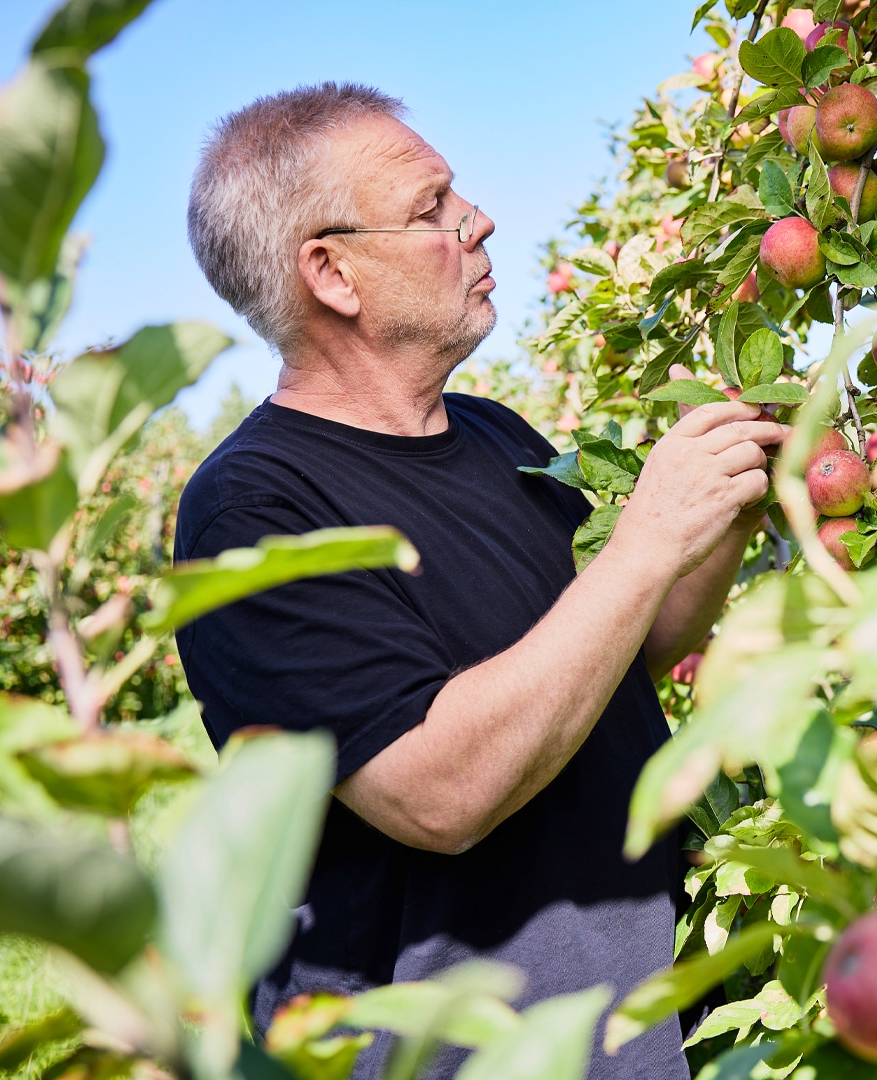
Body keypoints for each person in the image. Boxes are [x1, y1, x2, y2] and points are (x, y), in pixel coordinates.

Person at [176, 83, 783, 1078]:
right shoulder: (252, 510)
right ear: (331, 273)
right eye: (432, 208)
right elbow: (438, 791)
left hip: (642, 1015)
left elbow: (623, 651)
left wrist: (719, 516)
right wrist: (644, 538)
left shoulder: (496, 436)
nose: (478, 218)